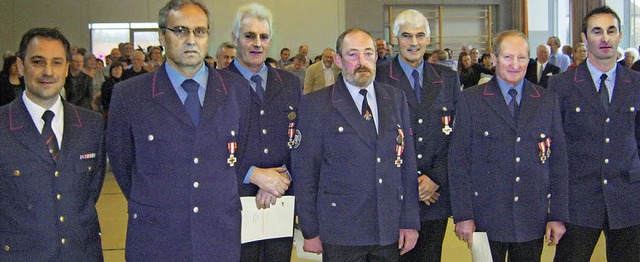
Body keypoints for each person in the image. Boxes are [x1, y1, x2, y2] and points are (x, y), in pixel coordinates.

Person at [106, 0, 250, 260]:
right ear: (162, 36)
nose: (191, 40)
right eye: (180, 31)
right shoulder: (130, 96)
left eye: (200, 31)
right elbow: (123, 165)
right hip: (156, 238)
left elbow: (240, 158)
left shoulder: (236, 91)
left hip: (218, 238)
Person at [293, 27, 420, 261]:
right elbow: (305, 173)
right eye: (353, 55)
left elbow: (407, 163)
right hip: (342, 231)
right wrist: (310, 230)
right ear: (339, 61)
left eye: (368, 53)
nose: (362, 61)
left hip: (388, 227)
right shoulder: (317, 105)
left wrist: (410, 221)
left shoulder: (395, 98)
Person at [448, 30, 569, 261]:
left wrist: (557, 215)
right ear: (493, 59)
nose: (515, 64)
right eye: (507, 57)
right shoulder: (471, 100)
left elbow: (558, 161)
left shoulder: (546, 100)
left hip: (531, 217)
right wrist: (463, 214)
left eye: (521, 57)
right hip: (484, 217)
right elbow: (458, 161)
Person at [0, 27, 105, 261]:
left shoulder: (91, 125)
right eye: (38, 62)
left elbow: (91, 192)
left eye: (57, 63)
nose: (48, 71)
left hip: (82, 255)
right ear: (19, 65)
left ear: (67, 68)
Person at [550, 6, 640, 262]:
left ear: (620, 36)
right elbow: (555, 146)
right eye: (597, 31)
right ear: (584, 37)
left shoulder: (636, 84)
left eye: (611, 31)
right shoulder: (561, 85)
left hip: (628, 199)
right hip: (578, 200)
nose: (605, 38)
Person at [375, 9, 461, 262]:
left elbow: (456, 136)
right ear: (395, 39)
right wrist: (411, 180)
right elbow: (376, 138)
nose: (413, 43)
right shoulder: (379, 77)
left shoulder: (448, 78)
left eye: (420, 35)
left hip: (434, 195)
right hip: (396, 194)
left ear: (428, 39)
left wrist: (435, 177)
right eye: (406, 36)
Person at [226, 3, 301, 261]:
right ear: (235, 38)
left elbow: (301, 138)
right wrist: (254, 174)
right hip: (233, 201)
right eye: (249, 36)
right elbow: (209, 146)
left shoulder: (290, 83)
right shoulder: (217, 85)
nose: (257, 43)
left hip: (281, 197)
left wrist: (281, 179)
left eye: (264, 36)